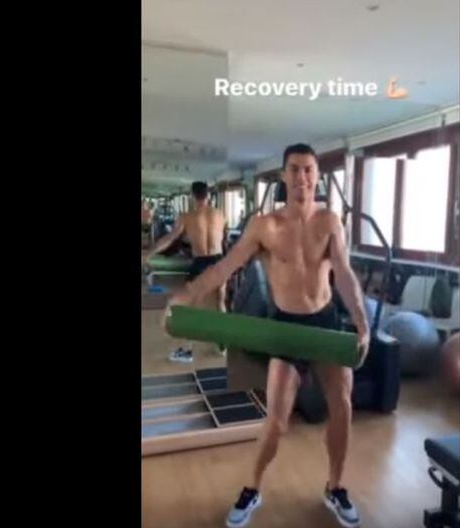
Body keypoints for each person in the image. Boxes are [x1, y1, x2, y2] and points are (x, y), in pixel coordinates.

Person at [167, 144, 371, 528]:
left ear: (317, 175)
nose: (302, 177)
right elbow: (225, 266)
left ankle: (335, 486)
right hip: (284, 327)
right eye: (294, 169)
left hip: (325, 322)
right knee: (276, 421)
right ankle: (253, 488)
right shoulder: (265, 226)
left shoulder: (330, 221)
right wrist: (186, 296)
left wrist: (361, 320)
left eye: (308, 169)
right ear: (283, 175)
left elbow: (343, 273)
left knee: (343, 405)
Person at [146, 182, 228, 362]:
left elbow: (169, 238)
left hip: (200, 263)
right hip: (219, 261)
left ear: (192, 196)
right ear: (208, 195)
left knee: (190, 306)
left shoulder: (187, 216)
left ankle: (188, 350)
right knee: (220, 302)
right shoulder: (220, 214)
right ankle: (223, 346)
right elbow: (223, 239)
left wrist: (150, 253)